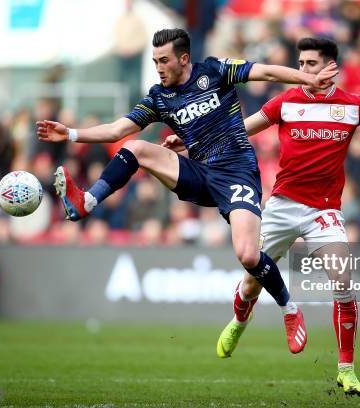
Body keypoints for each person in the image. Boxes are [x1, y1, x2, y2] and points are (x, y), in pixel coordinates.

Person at [164, 37, 360, 397]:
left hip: (324, 210)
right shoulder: (286, 102)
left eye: (310, 64)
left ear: (331, 67)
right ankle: (239, 319)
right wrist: (187, 142)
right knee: (251, 282)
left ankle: (346, 369)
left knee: (343, 281)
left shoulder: (351, 106)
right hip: (281, 206)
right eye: (300, 63)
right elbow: (235, 130)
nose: (302, 70)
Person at [36, 29, 337, 352]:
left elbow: (265, 71)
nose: (159, 67)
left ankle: (289, 309)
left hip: (237, 174)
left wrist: (306, 80)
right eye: (155, 61)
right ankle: (87, 200)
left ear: (183, 58)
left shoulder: (215, 70)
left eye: (164, 60)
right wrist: (71, 134)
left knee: (248, 254)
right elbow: (116, 130)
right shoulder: (159, 96)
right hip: (199, 173)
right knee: (136, 147)